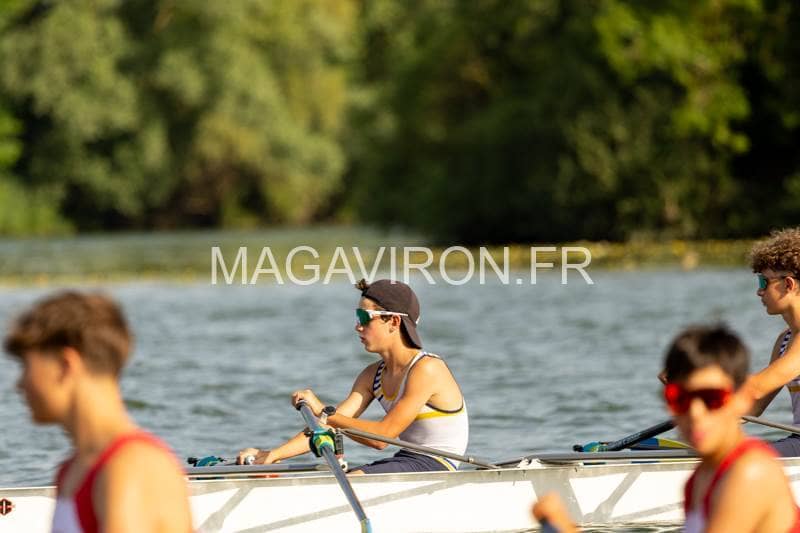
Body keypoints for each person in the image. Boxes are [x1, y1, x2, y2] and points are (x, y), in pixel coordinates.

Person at [533, 325, 800, 532]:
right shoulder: (698, 480)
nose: (695, 413)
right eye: (680, 399)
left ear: (742, 400)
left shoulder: (751, 472)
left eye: (711, 398)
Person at [3, 291, 192, 533]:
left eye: (26, 366)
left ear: (65, 365)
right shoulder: (71, 470)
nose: (19, 384)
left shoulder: (131, 466)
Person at [238, 278, 468, 474]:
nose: (358, 326)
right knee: (337, 478)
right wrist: (273, 455)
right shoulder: (372, 375)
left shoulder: (427, 369)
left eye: (364, 317)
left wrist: (323, 411)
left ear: (393, 322)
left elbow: (382, 437)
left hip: (439, 463)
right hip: (407, 458)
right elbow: (328, 426)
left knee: (354, 478)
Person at [740, 227, 800, 455]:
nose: (759, 291)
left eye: (764, 282)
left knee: (746, 460)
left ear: (789, 284)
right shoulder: (784, 340)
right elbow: (754, 406)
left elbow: (755, 389)